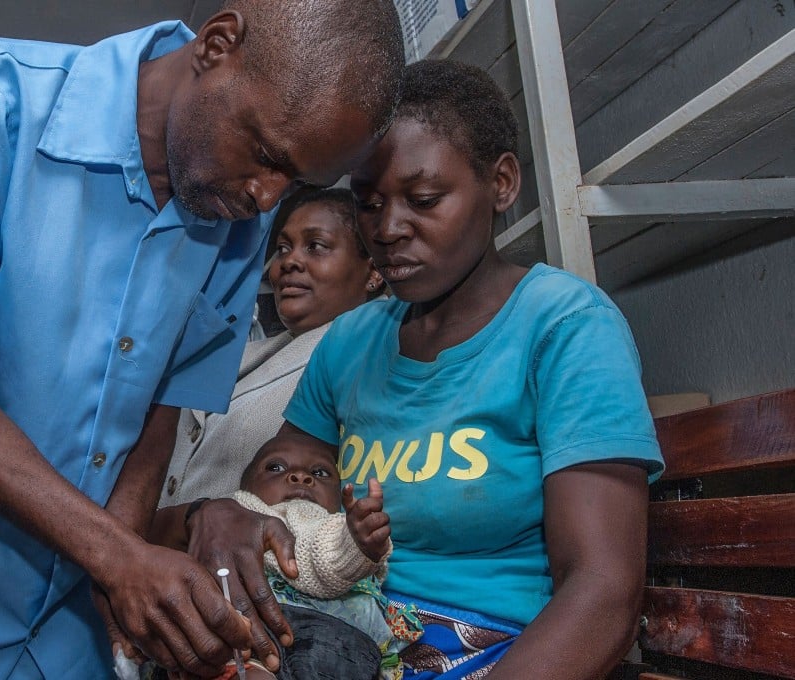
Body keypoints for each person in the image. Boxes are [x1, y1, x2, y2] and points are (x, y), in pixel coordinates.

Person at [0, 3, 404, 679]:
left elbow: (158, 413)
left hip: (56, 629)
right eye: (263, 153)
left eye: (296, 181)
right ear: (217, 45)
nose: (265, 196)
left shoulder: (237, 222)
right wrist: (114, 556)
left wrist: (124, 580)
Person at [184, 59, 666, 680]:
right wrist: (220, 513)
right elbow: (276, 488)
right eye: (369, 203)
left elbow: (602, 592)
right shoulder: (352, 341)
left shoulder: (564, 326)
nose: (388, 230)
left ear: (501, 182)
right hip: (338, 640)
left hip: (499, 656)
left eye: (424, 199)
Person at [156, 188, 384, 511]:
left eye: (315, 246)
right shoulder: (249, 351)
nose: (289, 261)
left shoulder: (370, 353)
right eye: (282, 248)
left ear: (374, 271)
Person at [228, 433, 410, 680]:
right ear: (245, 485)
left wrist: (359, 543)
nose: (300, 476)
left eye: (321, 473)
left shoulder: (335, 529)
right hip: (252, 643)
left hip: (340, 649)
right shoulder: (238, 516)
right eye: (276, 467)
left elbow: (327, 553)